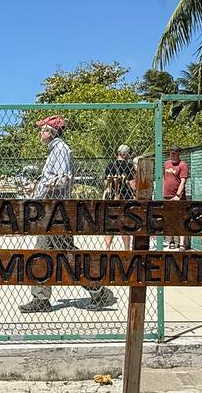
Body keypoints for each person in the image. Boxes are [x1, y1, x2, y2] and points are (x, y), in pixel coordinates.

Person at [19, 116, 117, 313]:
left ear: (51, 132)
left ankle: (99, 292)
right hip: (49, 211)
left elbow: (63, 179)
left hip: (58, 211)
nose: (40, 133)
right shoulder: (55, 151)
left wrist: (41, 186)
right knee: (41, 252)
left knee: (67, 255)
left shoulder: (61, 150)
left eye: (43, 130)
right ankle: (41, 299)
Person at [103, 144, 137, 251]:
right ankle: (126, 248)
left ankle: (107, 247)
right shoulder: (129, 166)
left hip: (112, 198)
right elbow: (133, 185)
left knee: (111, 224)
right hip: (125, 197)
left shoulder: (110, 166)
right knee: (125, 225)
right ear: (125, 154)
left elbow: (105, 183)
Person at [162, 145, 189, 249]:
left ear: (178, 153)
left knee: (181, 219)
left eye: (174, 153)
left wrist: (178, 195)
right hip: (166, 196)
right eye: (170, 153)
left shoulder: (182, 165)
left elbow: (183, 181)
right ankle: (171, 241)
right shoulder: (166, 164)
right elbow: (164, 178)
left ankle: (182, 243)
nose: (172, 155)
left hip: (178, 197)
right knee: (169, 219)